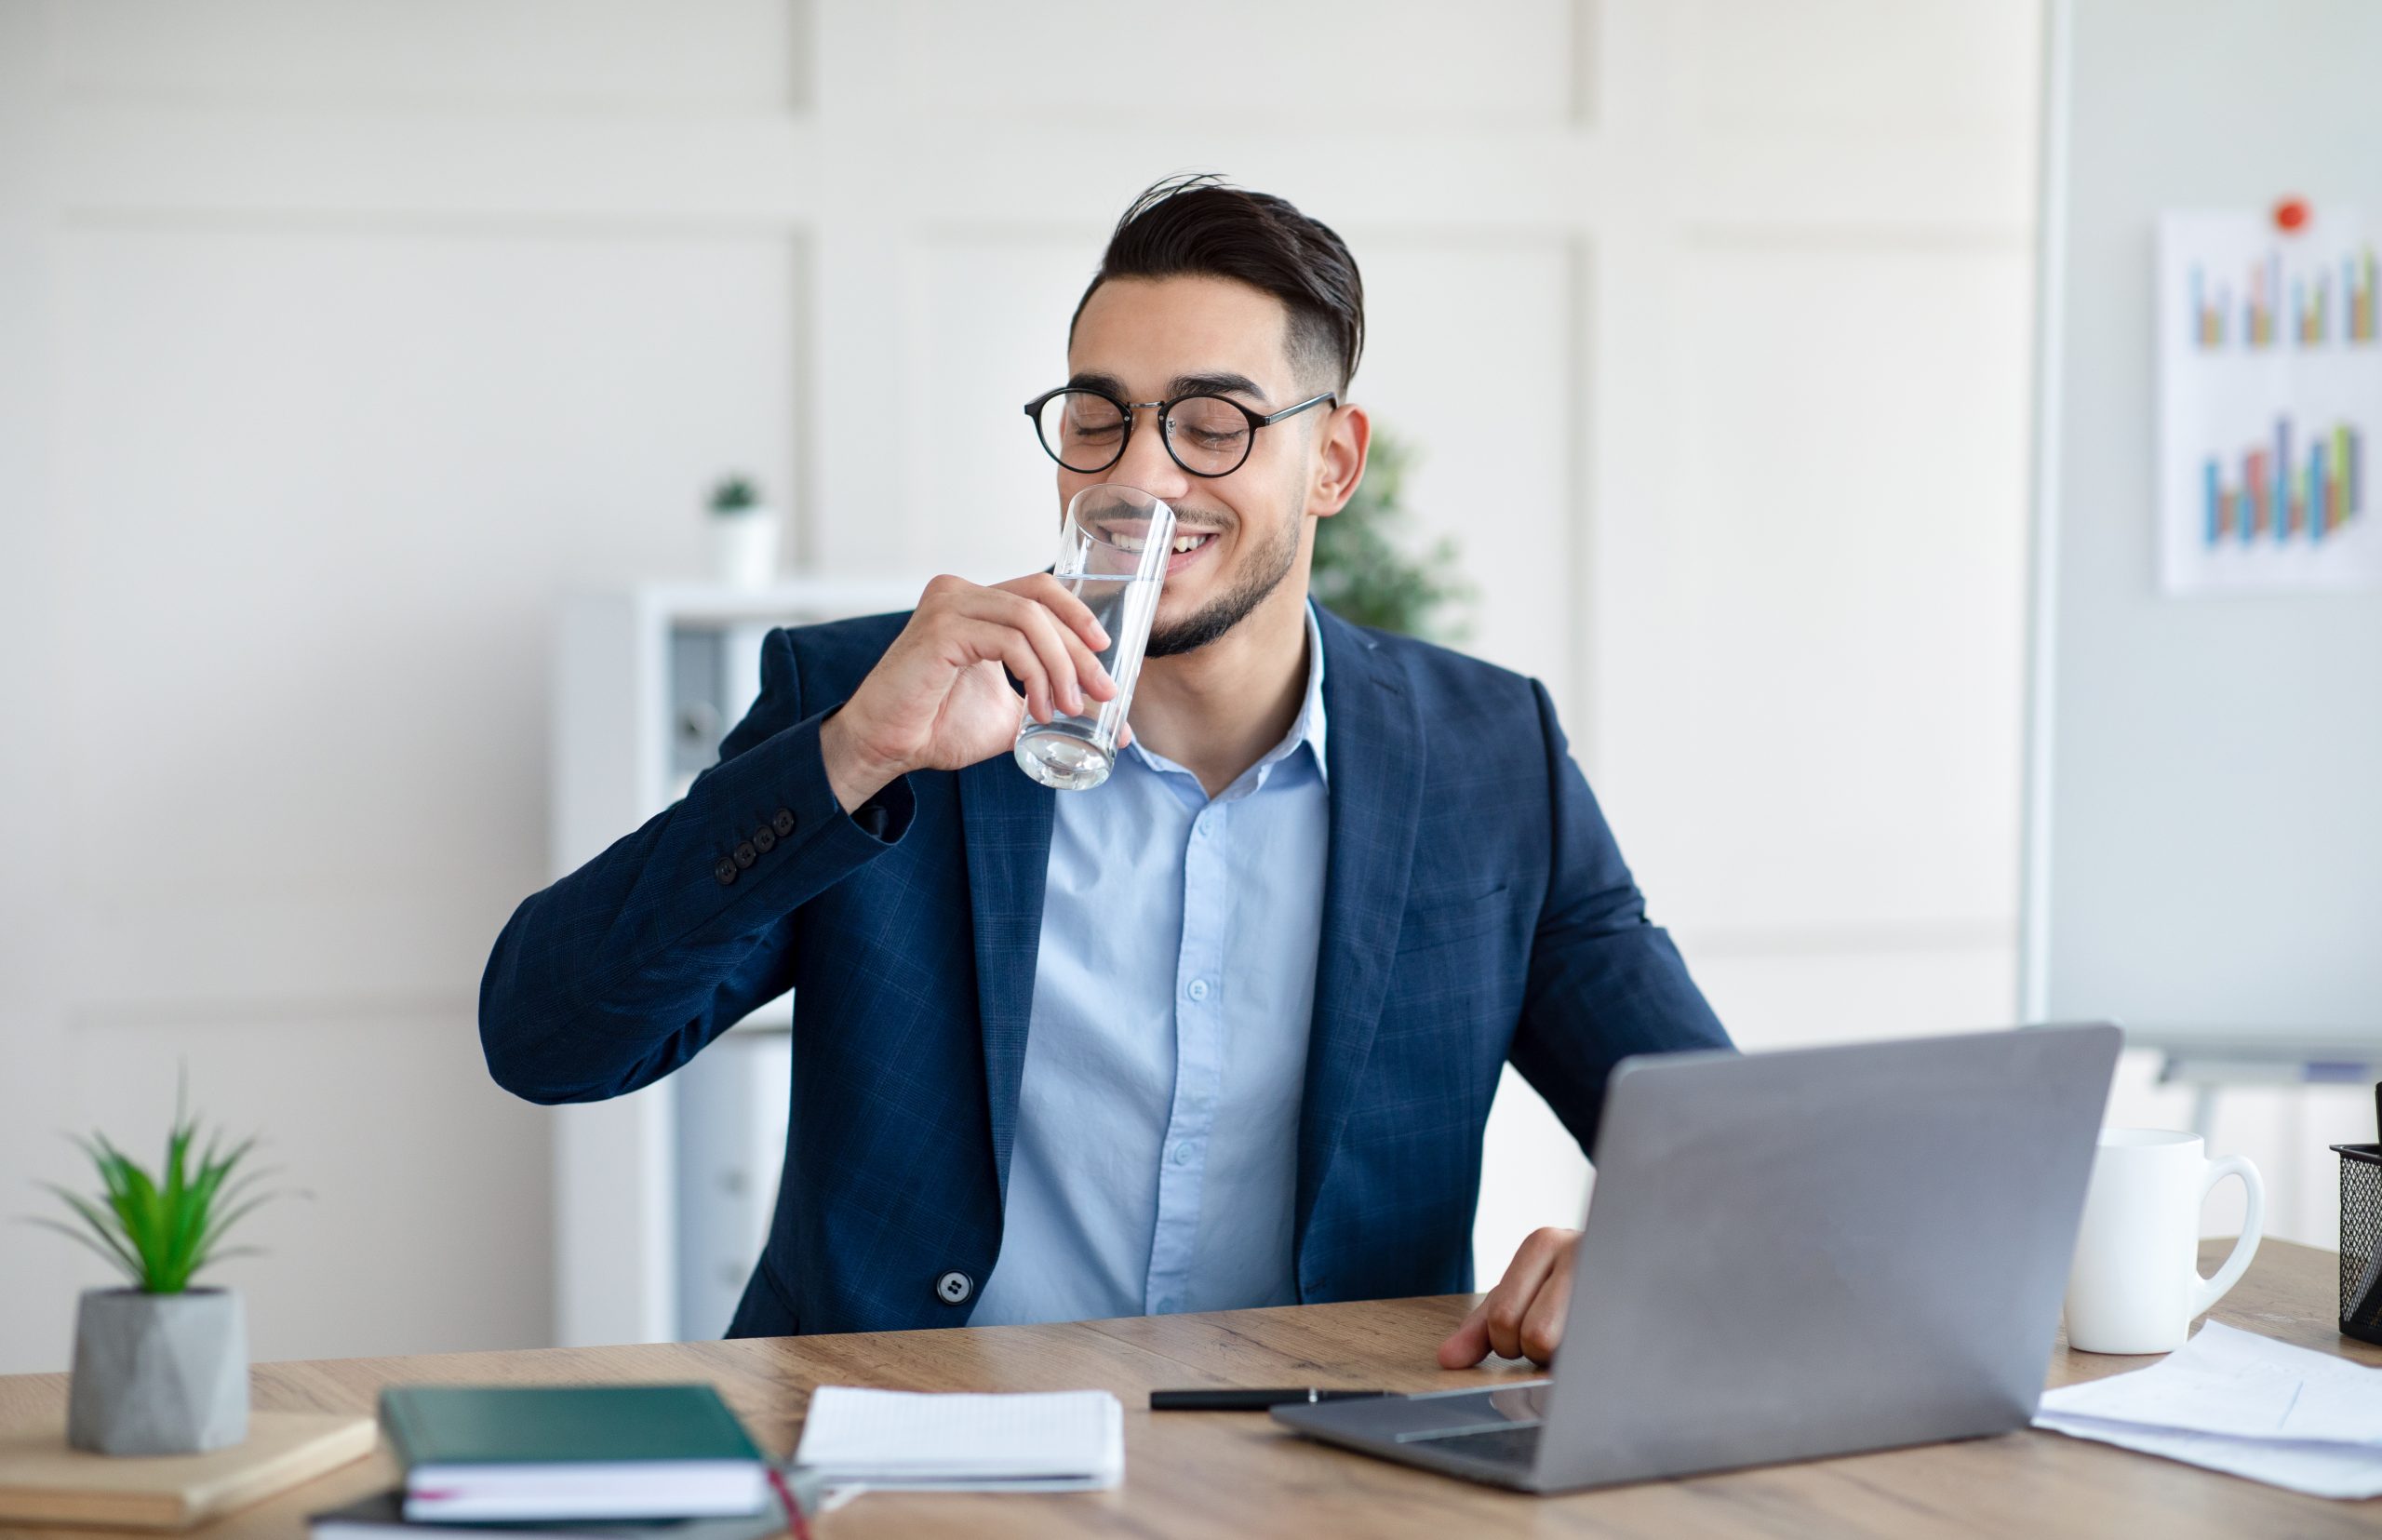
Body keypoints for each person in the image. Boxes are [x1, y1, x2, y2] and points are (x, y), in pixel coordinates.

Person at [478, 174, 1732, 1369]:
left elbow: (1726, 1155)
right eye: (1099, 417)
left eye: (1213, 423)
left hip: (1322, 1478)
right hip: (907, 1461)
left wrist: (1635, 1252)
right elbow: (549, 1040)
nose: (1139, 474)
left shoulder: (1486, 756)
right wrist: (853, 757)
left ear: (1334, 464)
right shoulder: (882, 709)